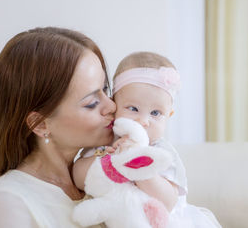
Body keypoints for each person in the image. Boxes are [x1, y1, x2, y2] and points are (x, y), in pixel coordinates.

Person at [0, 27, 115, 228]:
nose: (112, 106)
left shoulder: (96, 183)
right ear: (40, 124)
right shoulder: (9, 207)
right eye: (92, 103)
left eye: (105, 89)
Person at [74, 52, 222, 227]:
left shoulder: (162, 153)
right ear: (115, 105)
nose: (143, 121)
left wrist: (137, 164)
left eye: (155, 113)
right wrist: (107, 159)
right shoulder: (104, 144)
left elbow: (168, 201)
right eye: (133, 108)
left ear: (169, 115)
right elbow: (78, 176)